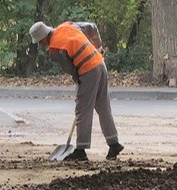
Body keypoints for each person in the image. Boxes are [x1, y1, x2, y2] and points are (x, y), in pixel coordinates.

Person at [30, 20, 124, 161]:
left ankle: (81, 150)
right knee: (103, 107)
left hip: (88, 70)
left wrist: (79, 81)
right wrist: (98, 49)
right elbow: (93, 27)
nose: (41, 44)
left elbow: (71, 69)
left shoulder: (55, 50)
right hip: (100, 64)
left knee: (82, 110)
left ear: (44, 37)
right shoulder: (67, 26)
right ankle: (114, 143)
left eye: (40, 41)